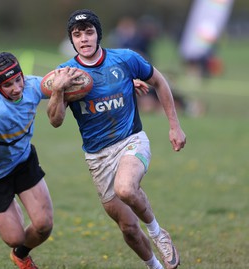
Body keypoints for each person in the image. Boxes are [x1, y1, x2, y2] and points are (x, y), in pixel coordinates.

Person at [47, 9, 186, 269]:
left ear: (99, 34)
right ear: (72, 40)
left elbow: (160, 81)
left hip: (131, 140)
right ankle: (155, 267)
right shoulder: (65, 74)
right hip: (97, 157)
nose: (84, 39)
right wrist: (57, 91)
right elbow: (55, 121)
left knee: (126, 188)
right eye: (77, 35)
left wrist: (174, 126)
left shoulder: (125, 59)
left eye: (89, 32)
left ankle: (158, 233)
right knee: (129, 228)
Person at [0, 52, 82, 269]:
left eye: (18, 79)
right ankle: (15, 237)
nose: (17, 88)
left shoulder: (32, 85)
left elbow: (74, 84)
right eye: (8, 84)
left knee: (44, 226)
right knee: (14, 238)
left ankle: (21, 256)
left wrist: (125, 84)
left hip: (23, 162)